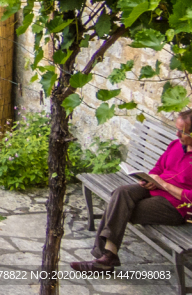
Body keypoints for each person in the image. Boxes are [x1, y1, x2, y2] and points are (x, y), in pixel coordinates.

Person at [71, 110, 192, 272]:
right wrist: (149, 179)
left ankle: (105, 258)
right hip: (156, 189)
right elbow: (158, 168)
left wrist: (165, 185)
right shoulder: (176, 145)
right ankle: (106, 256)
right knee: (121, 193)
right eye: (176, 129)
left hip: (177, 206)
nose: (177, 134)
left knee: (120, 209)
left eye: (182, 131)